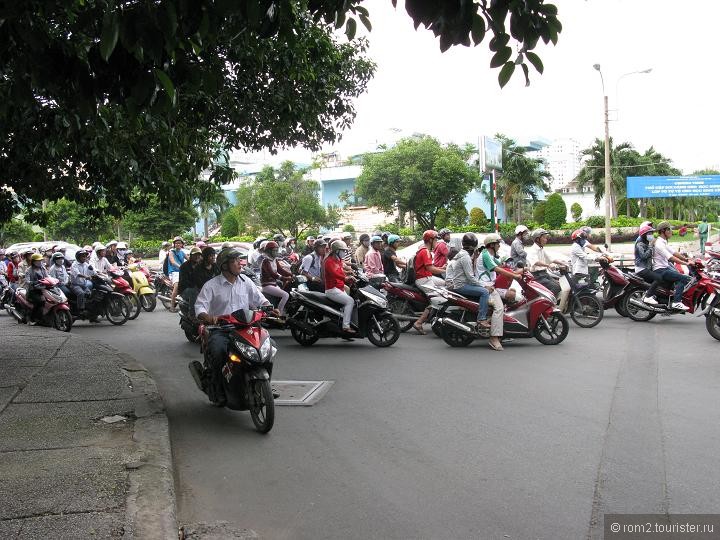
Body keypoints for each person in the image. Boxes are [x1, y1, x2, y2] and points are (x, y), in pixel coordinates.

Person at [194, 248, 274, 404]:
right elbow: (200, 307)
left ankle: (265, 386)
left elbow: (260, 299)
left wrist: (269, 306)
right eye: (235, 260)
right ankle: (217, 388)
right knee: (218, 351)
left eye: (239, 259)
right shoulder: (212, 285)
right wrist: (209, 317)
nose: (240, 263)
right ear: (224, 265)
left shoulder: (246, 281)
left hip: (246, 328)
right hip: (222, 330)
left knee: (270, 347)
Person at [445, 233, 504, 350]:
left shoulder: (464, 254)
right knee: (484, 293)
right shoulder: (466, 257)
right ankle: (481, 319)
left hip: (461, 283)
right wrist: (484, 286)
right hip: (461, 286)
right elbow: (471, 278)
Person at [412, 230, 446, 334]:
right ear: (430, 240)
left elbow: (429, 267)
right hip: (423, 279)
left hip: (428, 277)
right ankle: (419, 322)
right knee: (437, 299)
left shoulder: (424, 250)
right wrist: (445, 270)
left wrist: (441, 268)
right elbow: (431, 269)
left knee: (447, 284)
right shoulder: (425, 251)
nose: (436, 242)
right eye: (435, 239)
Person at [652, 221, 691, 311]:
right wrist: (685, 264)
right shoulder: (659, 243)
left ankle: (671, 299)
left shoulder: (664, 242)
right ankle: (677, 302)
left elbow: (674, 252)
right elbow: (670, 257)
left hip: (664, 268)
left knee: (678, 276)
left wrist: (686, 259)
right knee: (683, 278)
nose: (671, 231)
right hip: (660, 270)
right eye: (669, 229)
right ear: (663, 231)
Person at [527, 228, 570, 308]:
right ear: (537, 239)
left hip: (544, 274)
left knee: (558, 285)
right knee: (555, 287)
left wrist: (563, 263)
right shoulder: (532, 250)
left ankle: (550, 304)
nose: (546, 239)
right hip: (537, 276)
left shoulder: (541, 249)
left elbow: (550, 259)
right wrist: (548, 265)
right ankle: (545, 306)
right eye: (544, 237)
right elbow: (536, 262)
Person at [478, 233, 523, 304]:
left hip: (491, 283)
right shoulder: (485, 254)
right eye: (497, 243)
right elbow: (497, 269)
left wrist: (523, 268)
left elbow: (502, 265)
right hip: (486, 286)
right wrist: (515, 276)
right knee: (501, 307)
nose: (499, 245)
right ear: (492, 245)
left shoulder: (491, 255)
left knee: (513, 290)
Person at [323, 240, 357, 333]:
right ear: (336, 251)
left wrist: (349, 272)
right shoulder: (328, 261)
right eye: (342, 251)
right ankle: (346, 327)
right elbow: (334, 274)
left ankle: (344, 322)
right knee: (350, 301)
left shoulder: (338, 260)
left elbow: (340, 270)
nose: (344, 253)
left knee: (351, 302)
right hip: (332, 289)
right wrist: (346, 278)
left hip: (339, 288)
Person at [260, 240, 293, 316]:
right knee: (285, 295)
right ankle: (279, 314)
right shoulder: (266, 261)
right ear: (269, 251)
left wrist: (291, 274)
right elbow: (272, 274)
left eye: (277, 250)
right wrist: (284, 278)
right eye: (274, 250)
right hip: (267, 285)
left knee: (284, 293)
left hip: (273, 284)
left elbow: (280, 270)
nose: (276, 252)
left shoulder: (274, 260)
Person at [633, 223, 662, 304]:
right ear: (644, 235)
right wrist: (651, 246)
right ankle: (648, 296)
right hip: (641, 269)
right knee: (658, 278)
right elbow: (644, 256)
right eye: (649, 233)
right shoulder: (640, 243)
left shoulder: (646, 242)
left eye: (652, 233)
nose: (651, 235)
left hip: (647, 267)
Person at [178, 247, 203, 314]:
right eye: (195, 255)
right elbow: (184, 282)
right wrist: (197, 286)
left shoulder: (201, 265)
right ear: (191, 256)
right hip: (185, 289)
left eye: (199, 255)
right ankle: (192, 314)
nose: (197, 256)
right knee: (194, 292)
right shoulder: (184, 266)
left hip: (198, 287)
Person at [25, 253, 48, 323]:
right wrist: (35, 282)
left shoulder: (43, 268)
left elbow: (47, 277)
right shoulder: (28, 270)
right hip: (32, 291)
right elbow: (27, 281)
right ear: (33, 261)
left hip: (43, 289)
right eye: (38, 261)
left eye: (41, 260)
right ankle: (32, 318)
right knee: (40, 302)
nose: (40, 262)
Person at [167, 236, 186, 311]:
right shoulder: (171, 252)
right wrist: (180, 266)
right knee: (177, 286)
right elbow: (172, 261)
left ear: (182, 244)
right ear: (174, 244)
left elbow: (189, 259)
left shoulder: (182, 252)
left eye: (179, 243)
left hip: (181, 271)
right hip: (173, 272)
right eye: (176, 243)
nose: (178, 244)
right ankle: (172, 306)